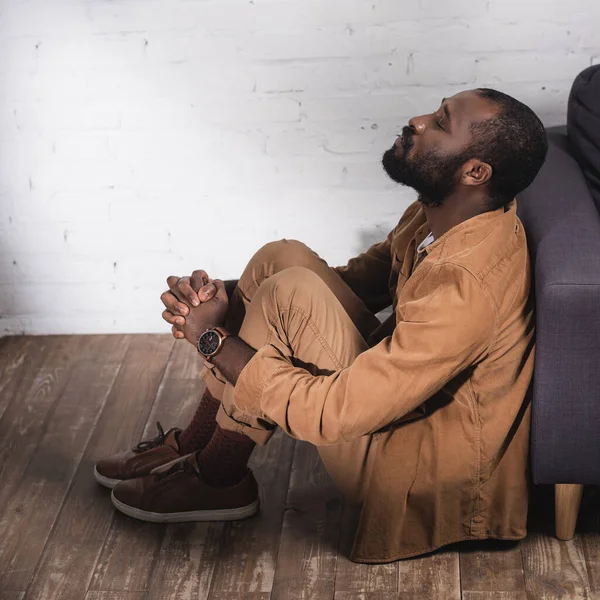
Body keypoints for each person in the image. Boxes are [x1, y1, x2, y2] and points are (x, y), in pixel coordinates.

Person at [94, 88, 548, 562]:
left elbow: (333, 414)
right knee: (281, 260)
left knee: (289, 293)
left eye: (440, 122)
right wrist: (221, 296)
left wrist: (213, 338)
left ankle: (218, 475)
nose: (417, 120)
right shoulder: (443, 211)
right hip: (401, 405)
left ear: (475, 171)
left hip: (424, 475)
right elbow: (358, 281)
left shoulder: (466, 283)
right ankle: (196, 445)